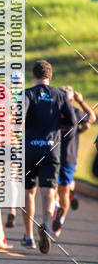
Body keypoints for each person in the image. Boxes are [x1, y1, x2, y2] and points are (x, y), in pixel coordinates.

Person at [22, 60, 76, 253]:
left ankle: (28, 236)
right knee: (48, 191)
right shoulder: (60, 95)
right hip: (51, 149)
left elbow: (19, 117)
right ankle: (45, 225)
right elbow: (71, 121)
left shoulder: (27, 94)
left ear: (33, 76)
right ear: (50, 77)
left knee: (29, 192)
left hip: (29, 149)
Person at [52, 86, 95, 236]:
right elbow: (92, 118)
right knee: (63, 189)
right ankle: (60, 219)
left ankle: (56, 209)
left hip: (54, 156)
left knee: (53, 189)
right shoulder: (75, 112)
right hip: (68, 158)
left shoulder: (53, 112)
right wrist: (81, 101)